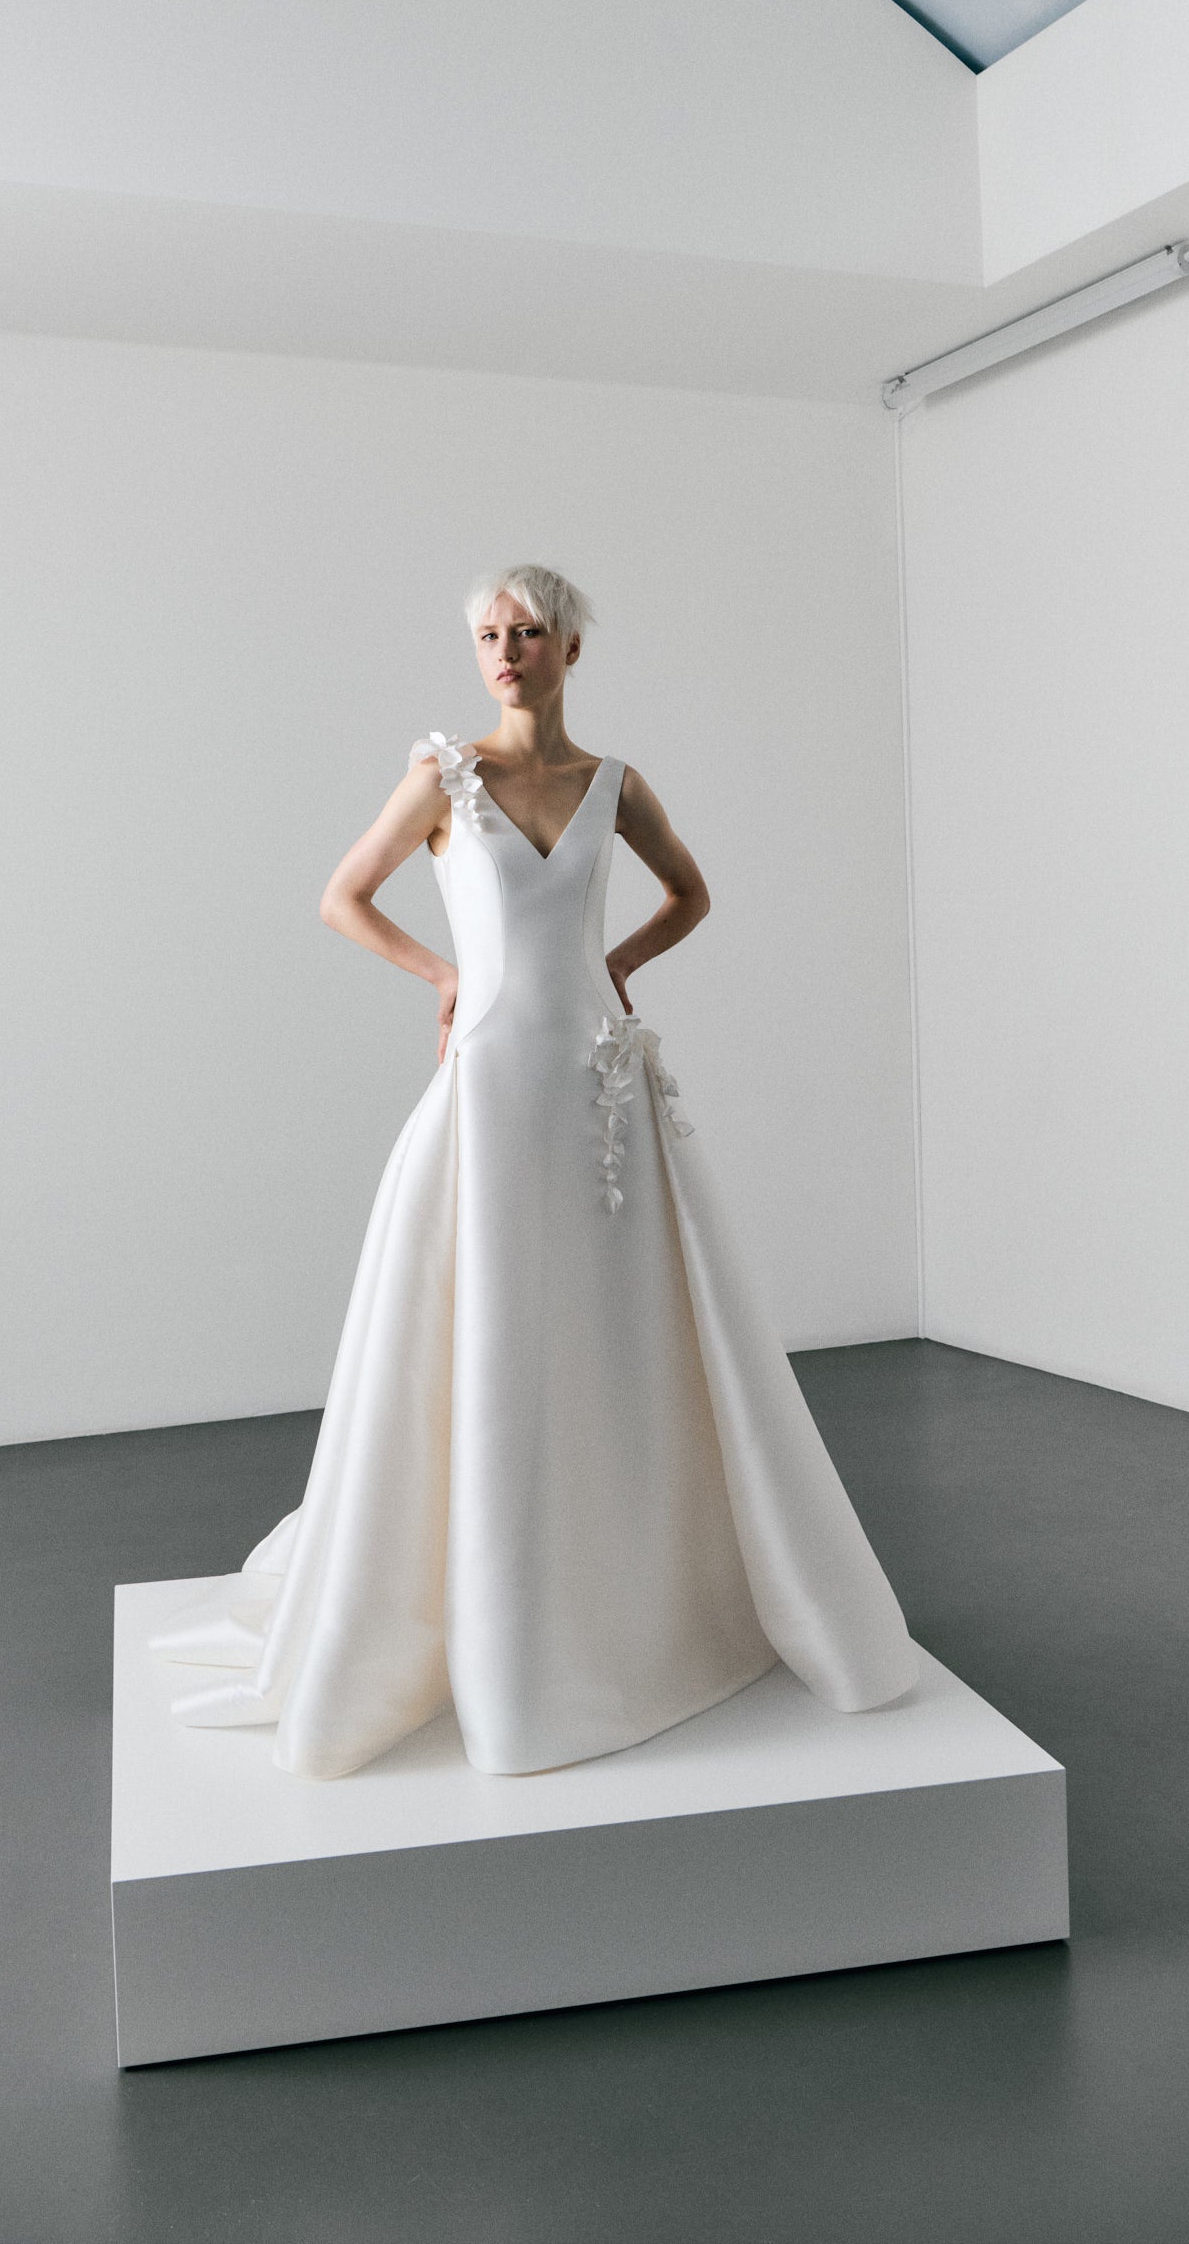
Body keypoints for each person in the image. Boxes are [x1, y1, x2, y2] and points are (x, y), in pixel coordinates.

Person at [151, 564, 916, 1776]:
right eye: (489, 636)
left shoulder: (612, 784)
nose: (506, 651)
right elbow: (342, 898)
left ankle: (645, 1582)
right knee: (494, 1320)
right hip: (496, 1078)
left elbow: (692, 894)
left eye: (528, 633)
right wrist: (445, 977)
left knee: (624, 1323)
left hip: (599, 1086)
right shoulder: (447, 776)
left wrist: (615, 967)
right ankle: (501, 1606)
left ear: (570, 648)